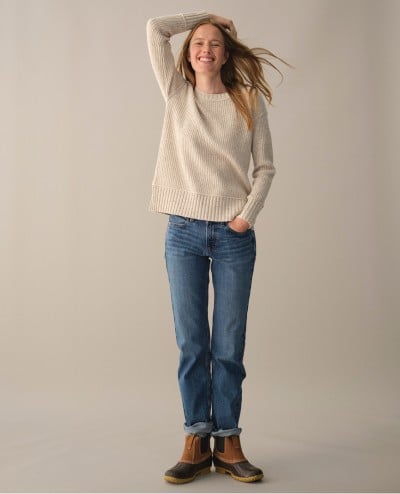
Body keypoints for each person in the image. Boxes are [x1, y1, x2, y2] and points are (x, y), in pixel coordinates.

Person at [146, 11, 290, 484]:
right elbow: (155, 29)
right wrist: (203, 17)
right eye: (197, 43)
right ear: (188, 56)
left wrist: (247, 216)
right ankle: (195, 437)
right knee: (192, 343)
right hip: (183, 231)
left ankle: (227, 440)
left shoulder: (247, 99)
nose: (204, 48)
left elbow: (264, 167)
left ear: (226, 54)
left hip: (233, 237)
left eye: (213, 43)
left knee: (228, 346)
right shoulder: (177, 94)